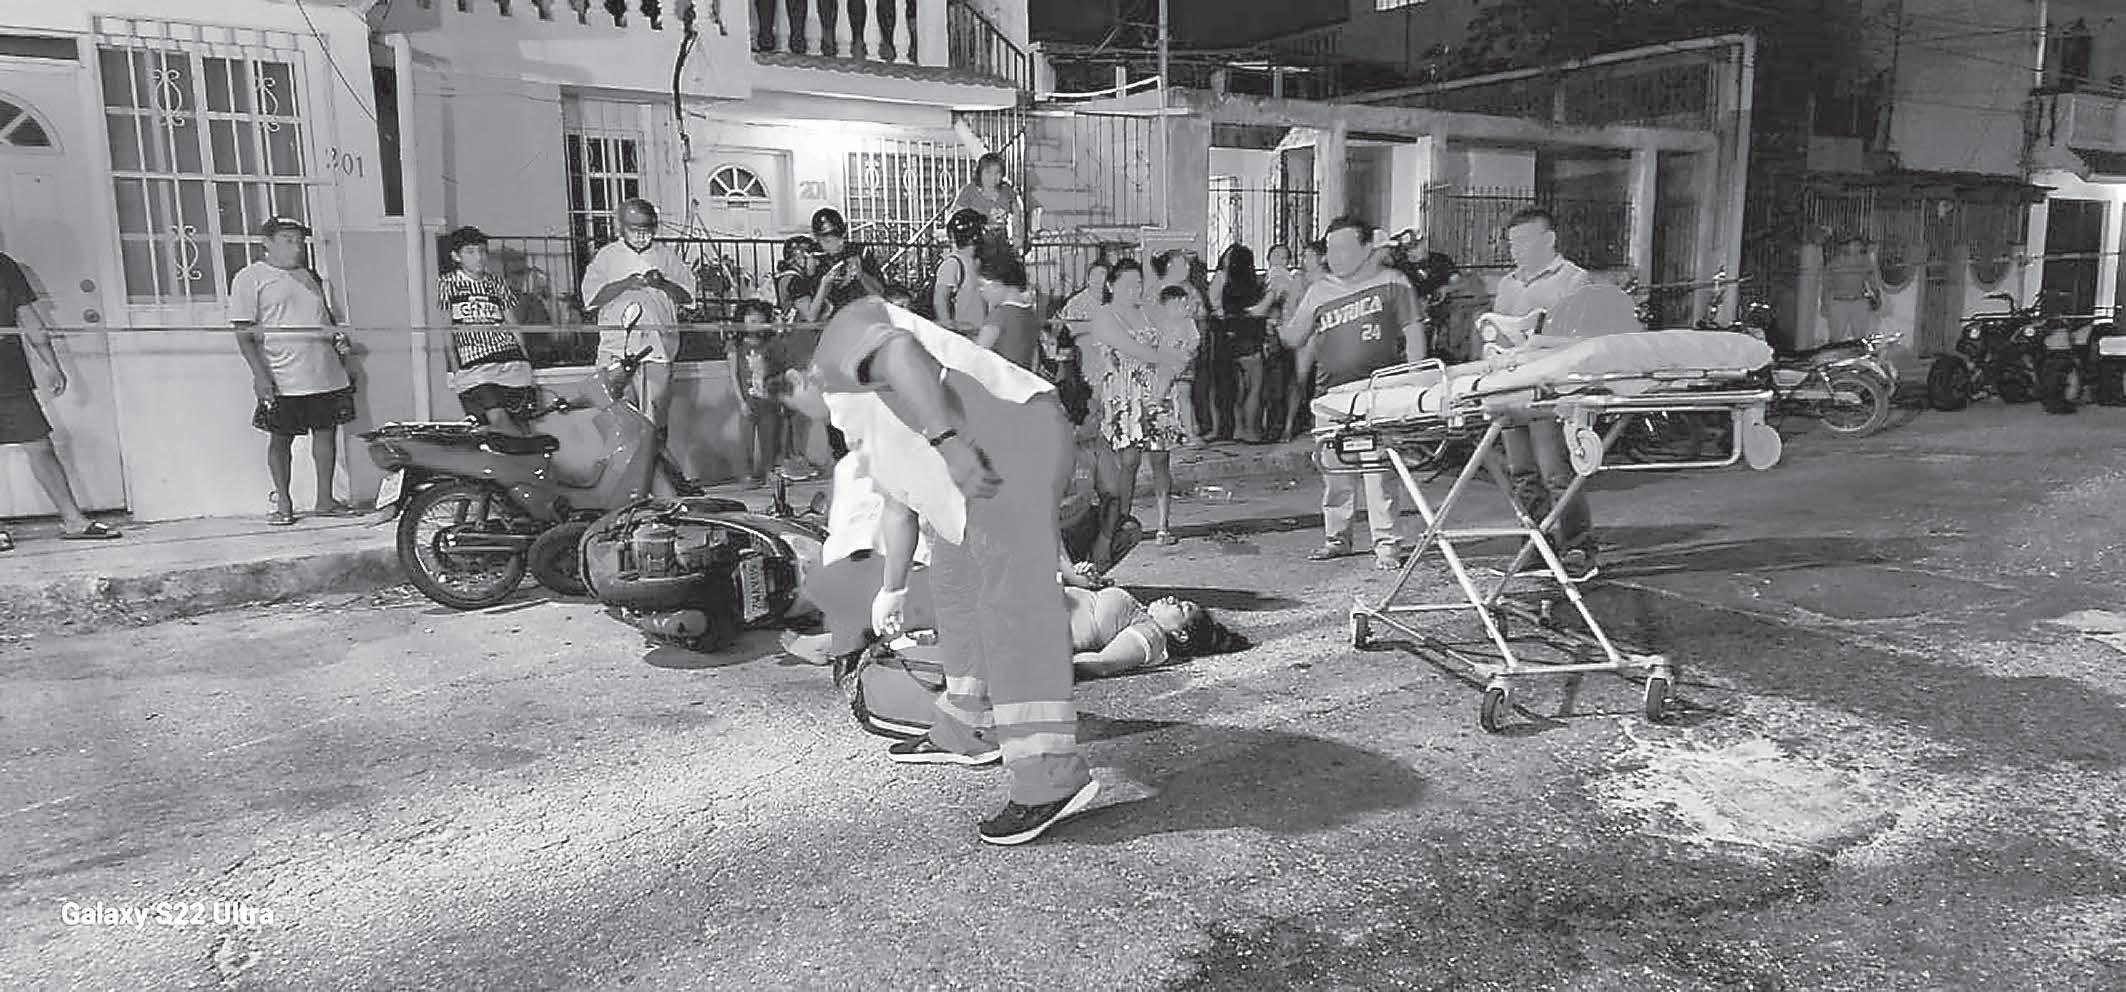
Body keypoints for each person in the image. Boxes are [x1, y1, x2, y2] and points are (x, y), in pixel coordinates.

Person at [795, 293, 1100, 847]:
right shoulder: (857, 404)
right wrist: (890, 590)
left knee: (1012, 606)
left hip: (1007, 442)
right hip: (981, 458)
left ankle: (1050, 777)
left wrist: (950, 443)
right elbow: (898, 502)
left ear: (798, 377)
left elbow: (900, 354)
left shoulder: (840, 342)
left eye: (785, 398)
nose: (797, 415)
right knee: (954, 584)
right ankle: (967, 725)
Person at [1281, 216, 1425, 570]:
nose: (1335, 256)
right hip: (1331, 397)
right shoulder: (1319, 291)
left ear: (1366, 248)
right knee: (1335, 472)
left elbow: (1414, 332)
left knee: (1379, 472)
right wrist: (1287, 299)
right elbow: (1294, 337)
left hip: (1380, 394)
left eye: (1344, 248)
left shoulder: (1393, 282)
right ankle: (1337, 538)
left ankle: (1387, 545)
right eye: (1330, 249)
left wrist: (1416, 380)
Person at [1489, 206, 1598, 579]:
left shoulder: (1573, 279)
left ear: (1549, 239)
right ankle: (1535, 547)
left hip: (1554, 390)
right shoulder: (1508, 285)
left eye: (1523, 241)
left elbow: (1583, 337)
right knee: (1522, 473)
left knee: (1556, 472)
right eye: (1511, 243)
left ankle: (1578, 547)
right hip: (1512, 388)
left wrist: (1538, 341)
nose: (1515, 250)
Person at [231, 216, 357, 527]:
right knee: (281, 438)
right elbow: (244, 334)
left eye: (300, 240)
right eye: (288, 240)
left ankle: (325, 500)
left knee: (326, 433)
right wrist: (260, 376)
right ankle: (284, 503)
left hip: (325, 371)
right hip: (284, 373)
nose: (297, 247)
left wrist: (341, 347)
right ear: (267, 243)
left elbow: (326, 320)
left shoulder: (311, 277)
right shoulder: (251, 277)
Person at [0, 250, 122, 551]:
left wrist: (52, 364)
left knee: (39, 446)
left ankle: (73, 521)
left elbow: (29, 318)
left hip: (10, 375)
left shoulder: (4, 266)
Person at [1082, 260, 1194, 550]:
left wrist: (1176, 357)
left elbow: (1176, 335)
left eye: (1138, 284)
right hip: (1124, 395)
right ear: (1111, 286)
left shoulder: (1149, 311)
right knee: (1128, 461)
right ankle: (1121, 521)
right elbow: (1130, 348)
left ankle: (1163, 525)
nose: (1135, 290)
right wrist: (1168, 358)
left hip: (1157, 390)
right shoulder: (1105, 315)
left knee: (1160, 459)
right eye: (1127, 285)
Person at [580, 198, 692, 432]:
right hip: (616, 348)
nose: (642, 236)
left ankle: (657, 454)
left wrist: (663, 284)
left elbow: (688, 296)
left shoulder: (666, 257)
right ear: (621, 228)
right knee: (620, 415)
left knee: (656, 417)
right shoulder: (607, 256)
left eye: (647, 230)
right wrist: (624, 284)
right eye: (635, 230)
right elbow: (591, 298)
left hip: (658, 349)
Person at [436, 227, 536, 434]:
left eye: (482, 251)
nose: (479, 257)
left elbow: (511, 321)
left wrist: (524, 354)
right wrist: (454, 365)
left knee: (520, 421)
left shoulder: (497, 283)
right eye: (470, 252)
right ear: (456, 256)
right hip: (474, 362)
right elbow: (447, 327)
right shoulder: (447, 284)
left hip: (509, 357)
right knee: (495, 419)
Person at [1064, 584, 1248, 679]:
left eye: (1181, 608)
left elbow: (1102, 664)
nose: (1172, 598)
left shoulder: (1151, 634)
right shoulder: (1140, 613)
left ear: (1180, 634)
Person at [1209, 244, 1270, 442]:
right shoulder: (1254, 287)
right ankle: (1251, 430)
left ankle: (1238, 429)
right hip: (1249, 340)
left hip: (1229, 339)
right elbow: (1257, 312)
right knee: (1254, 388)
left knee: (1237, 388)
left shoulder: (1227, 286)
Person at [727, 301, 790, 488]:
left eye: (759, 319)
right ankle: (746, 475)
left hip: (769, 399)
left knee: (769, 437)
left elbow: (780, 368)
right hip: (748, 399)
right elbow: (733, 374)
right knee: (746, 439)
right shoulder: (735, 345)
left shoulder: (771, 344)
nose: (754, 322)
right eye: (750, 318)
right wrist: (741, 401)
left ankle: (770, 471)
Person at [1148, 250, 1208, 445]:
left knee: (1185, 395)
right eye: (1183, 264)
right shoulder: (1156, 292)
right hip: (1165, 358)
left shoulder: (1189, 292)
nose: (1187, 268)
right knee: (1162, 391)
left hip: (1185, 358)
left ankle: (1190, 431)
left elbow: (1200, 321)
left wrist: (1191, 349)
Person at [1280, 240, 1328, 441]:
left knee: (1324, 380)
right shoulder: (1299, 280)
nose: (1304, 260)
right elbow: (1289, 307)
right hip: (1305, 333)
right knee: (1300, 379)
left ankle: (1318, 421)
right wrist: (1289, 328)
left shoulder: (1331, 280)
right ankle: (1289, 425)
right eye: (1303, 256)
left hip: (1325, 331)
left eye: (1308, 256)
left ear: (1321, 258)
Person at [803, 207, 886, 324]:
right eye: (827, 240)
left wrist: (861, 275)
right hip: (827, 324)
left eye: (839, 236)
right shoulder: (811, 257)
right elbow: (809, 313)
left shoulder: (858, 252)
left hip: (860, 319)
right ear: (817, 238)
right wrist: (822, 282)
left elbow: (881, 294)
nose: (838, 243)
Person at [972, 244, 1042, 371]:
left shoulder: (999, 316)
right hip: (1023, 378)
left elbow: (977, 356)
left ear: (997, 284)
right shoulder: (1030, 313)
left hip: (1001, 380)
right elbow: (1035, 357)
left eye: (982, 285)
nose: (980, 291)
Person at [951, 152, 1038, 249]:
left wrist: (1017, 238)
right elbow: (956, 217)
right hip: (975, 244)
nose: (993, 177)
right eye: (988, 172)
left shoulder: (1007, 191)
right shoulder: (969, 191)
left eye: (997, 173)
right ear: (980, 173)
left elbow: (1017, 216)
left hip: (1000, 243)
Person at [932, 208, 988, 334]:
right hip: (967, 336)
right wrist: (952, 329)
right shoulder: (953, 264)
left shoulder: (982, 261)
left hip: (985, 335)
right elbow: (941, 300)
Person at [1821, 234, 1884, 343]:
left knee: (1860, 338)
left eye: (1859, 245)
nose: (1858, 248)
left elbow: (1873, 281)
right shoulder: (1834, 263)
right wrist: (1824, 304)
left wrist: (1877, 297)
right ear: (1846, 247)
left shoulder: (1865, 261)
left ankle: (1859, 352)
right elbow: (1827, 286)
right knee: (1835, 337)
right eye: (1855, 245)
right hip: (1838, 303)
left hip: (1859, 302)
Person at [772, 235, 823, 320]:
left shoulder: (783, 277)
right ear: (799, 259)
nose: (817, 263)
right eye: (814, 258)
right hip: (798, 327)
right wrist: (825, 285)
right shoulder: (797, 282)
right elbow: (810, 316)